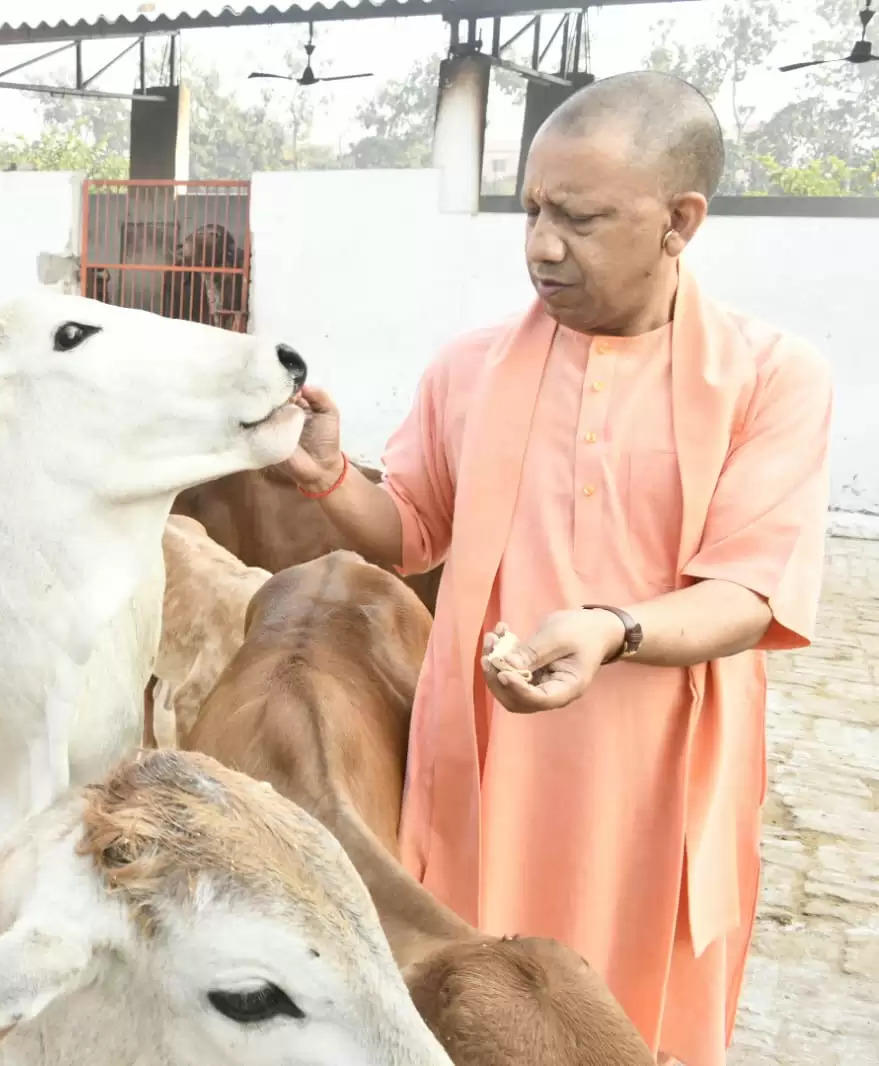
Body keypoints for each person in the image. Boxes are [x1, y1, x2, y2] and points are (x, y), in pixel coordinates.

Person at [281, 71, 831, 1066]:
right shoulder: (470, 367)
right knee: (474, 1003)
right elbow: (409, 529)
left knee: (634, 1023)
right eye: (532, 210)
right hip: (489, 772)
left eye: (580, 218)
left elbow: (749, 595)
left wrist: (613, 630)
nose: (542, 244)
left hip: (659, 784)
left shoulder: (772, 377)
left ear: (680, 222)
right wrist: (330, 483)